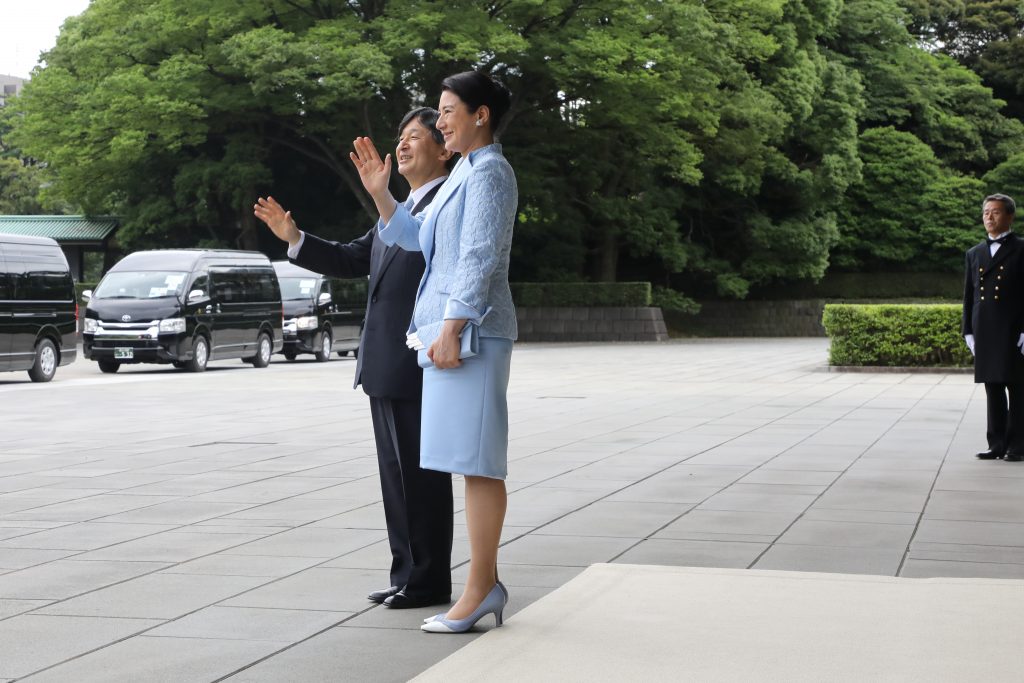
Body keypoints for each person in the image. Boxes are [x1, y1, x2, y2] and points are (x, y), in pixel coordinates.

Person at [253, 108, 457, 609]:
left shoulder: (444, 208)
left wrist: (384, 199)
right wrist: (294, 239)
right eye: (400, 137)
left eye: (415, 138)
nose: (402, 146)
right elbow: (349, 258)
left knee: (423, 477)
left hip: (419, 361)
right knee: (396, 477)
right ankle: (406, 572)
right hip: (385, 364)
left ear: (445, 149)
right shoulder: (400, 211)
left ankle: (430, 579)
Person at [349, 70, 518, 633]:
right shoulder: (464, 172)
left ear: (481, 115)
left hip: (471, 334)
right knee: (466, 465)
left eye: (448, 111)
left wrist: (451, 325)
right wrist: (382, 196)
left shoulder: (490, 172)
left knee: (478, 464)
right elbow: (420, 240)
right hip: (449, 335)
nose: (440, 120)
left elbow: (479, 256)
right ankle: (480, 587)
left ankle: (479, 590)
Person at [963, 193, 1024, 462]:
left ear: (1009, 216)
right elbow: (969, 295)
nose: (989, 217)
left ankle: (1018, 445)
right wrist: (968, 330)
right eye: (986, 212)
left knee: (1018, 389)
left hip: (1014, 330)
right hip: (985, 329)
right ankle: (996, 443)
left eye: (996, 212)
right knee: (993, 388)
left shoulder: (1022, 249)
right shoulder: (974, 253)